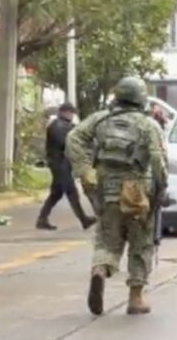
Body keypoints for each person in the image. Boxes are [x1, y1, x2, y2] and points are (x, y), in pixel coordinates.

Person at [67, 76, 168, 316]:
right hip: (137, 193)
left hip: (106, 190)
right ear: (141, 98)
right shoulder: (148, 125)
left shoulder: (100, 120)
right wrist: (161, 189)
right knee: (140, 243)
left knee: (106, 239)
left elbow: (73, 138)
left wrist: (84, 170)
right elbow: (157, 160)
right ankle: (136, 298)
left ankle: (100, 270)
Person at [36, 103, 96, 231]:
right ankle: (83, 219)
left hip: (63, 163)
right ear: (63, 112)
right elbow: (64, 141)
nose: (71, 115)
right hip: (58, 163)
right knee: (71, 191)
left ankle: (42, 219)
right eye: (70, 113)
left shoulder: (67, 126)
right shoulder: (57, 125)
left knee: (56, 193)